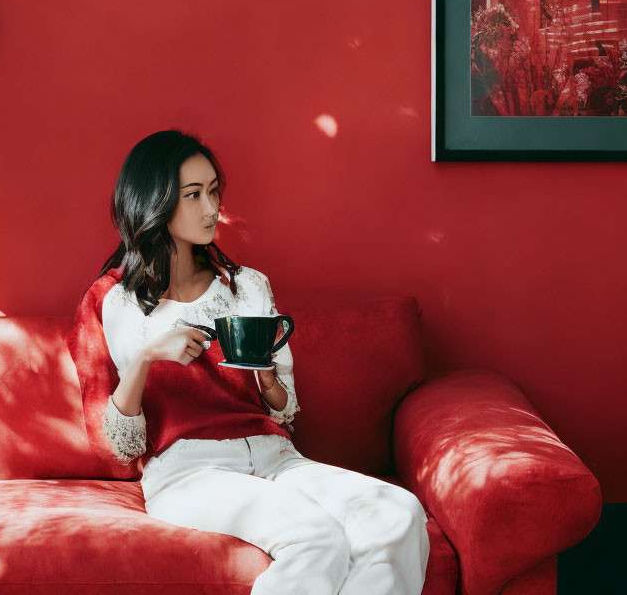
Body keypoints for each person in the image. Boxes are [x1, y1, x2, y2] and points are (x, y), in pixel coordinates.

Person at [76, 129, 429, 595]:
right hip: (187, 471)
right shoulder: (111, 301)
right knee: (316, 536)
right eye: (194, 195)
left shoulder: (247, 287)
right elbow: (117, 445)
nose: (211, 209)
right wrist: (146, 356)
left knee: (397, 512)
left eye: (214, 191)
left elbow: (283, 409)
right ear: (155, 202)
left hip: (274, 456)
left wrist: (264, 369)